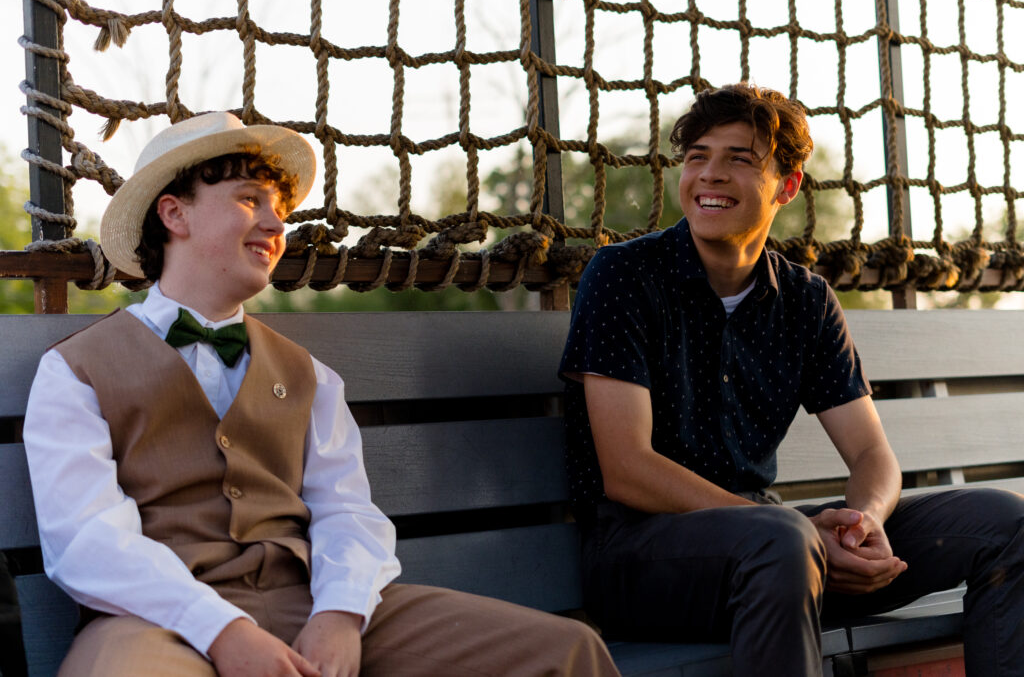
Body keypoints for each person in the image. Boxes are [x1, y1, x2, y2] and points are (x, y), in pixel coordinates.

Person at [23, 111, 620, 677]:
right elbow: (87, 538)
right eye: (248, 200)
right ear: (175, 215)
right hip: (155, 620)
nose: (275, 224)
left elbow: (347, 511)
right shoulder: (75, 370)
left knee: (563, 652)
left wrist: (340, 614)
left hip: (305, 601)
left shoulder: (310, 376)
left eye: (277, 207)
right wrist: (223, 630)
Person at [559, 83, 1024, 676]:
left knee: (1005, 522)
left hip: (780, 554)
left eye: (739, 159)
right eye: (698, 156)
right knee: (780, 543)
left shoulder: (805, 300)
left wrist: (862, 531)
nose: (710, 175)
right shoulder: (624, 275)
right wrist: (794, 527)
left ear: (789, 183)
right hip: (641, 559)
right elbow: (626, 468)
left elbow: (872, 456)